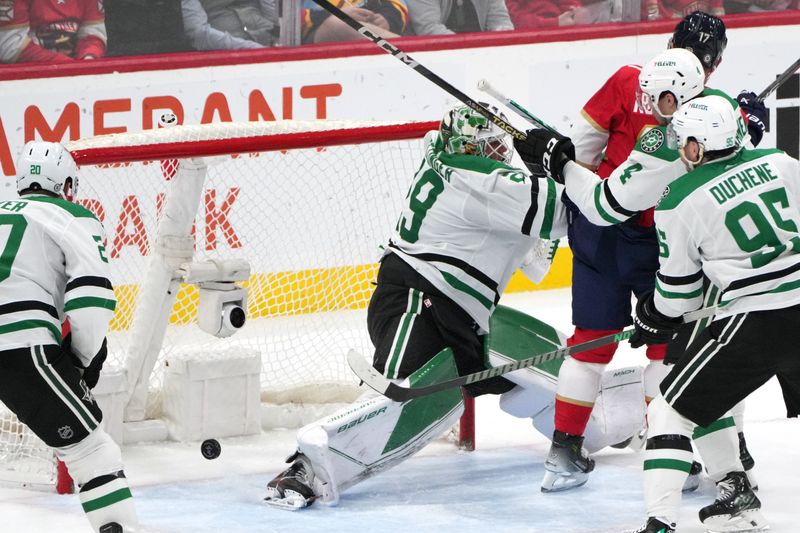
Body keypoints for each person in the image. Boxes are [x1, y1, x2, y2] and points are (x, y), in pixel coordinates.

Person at [263, 103, 570, 510]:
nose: (502, 153)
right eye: (491, 146)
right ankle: (304, 468)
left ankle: (581, 432)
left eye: (501, 144)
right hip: (419, 300)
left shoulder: (450, 157)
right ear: (468, 148)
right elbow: (573, 211)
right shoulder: (476, 180)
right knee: (393, 396)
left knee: (552, 370)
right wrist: (569, 168)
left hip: (464, 315)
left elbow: (537, 263)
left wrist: (544, 173)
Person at [528, 11, 766, 493]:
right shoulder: (716, 108)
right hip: (668, 242)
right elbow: (731, 163)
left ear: (669, 41)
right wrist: (747, 125)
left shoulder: (626, 80)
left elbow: (580, 152)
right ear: (715, 64)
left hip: (601, 233)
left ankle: (563, 452)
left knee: (591, 340)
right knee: (672, 346)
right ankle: (673, 451)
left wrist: (558, 162)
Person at [628, 94, 800, 533]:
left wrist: (650, 314)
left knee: (671, 409)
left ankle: (659, 523)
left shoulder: (679, 198)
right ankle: (736, 495)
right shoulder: (781, 161)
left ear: (695, 147)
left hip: (761, 320)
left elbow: (679, 299)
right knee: (705, 390)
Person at [0, 142, 138, 532]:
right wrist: (80, 360)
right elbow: (92, 297)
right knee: (92, 450)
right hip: (16, 344)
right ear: (66, 183)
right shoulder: (72, 215)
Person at [0, 0, 106, 63]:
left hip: (75, 72)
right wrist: (69, 66)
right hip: (26, 79)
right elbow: (11, 47)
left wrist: (88, 59)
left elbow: (93, 34)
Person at [181, 0, 278, 51]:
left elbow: (275, 19)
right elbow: (199, 35)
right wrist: (252, 49)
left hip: (272, 44)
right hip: (225, 59)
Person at [302, 0, 408, 43]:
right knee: (339, 25)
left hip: (374, 31)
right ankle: (412, 59)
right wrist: (338, 15)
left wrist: (386, 20)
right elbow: (292, 19)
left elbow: (396, 5)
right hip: (314, 35)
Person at [406, 0, 513, 35]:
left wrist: (503, 31)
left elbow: (500, 20)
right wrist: (472, 48)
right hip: (435, 59)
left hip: (482, 55)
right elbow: (429, 29)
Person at [507, 0, 613, 29]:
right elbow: (513, 21)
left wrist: (574, 11)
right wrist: (554, 23)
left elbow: (569, 3)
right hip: (532, 39)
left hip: (566, 27)